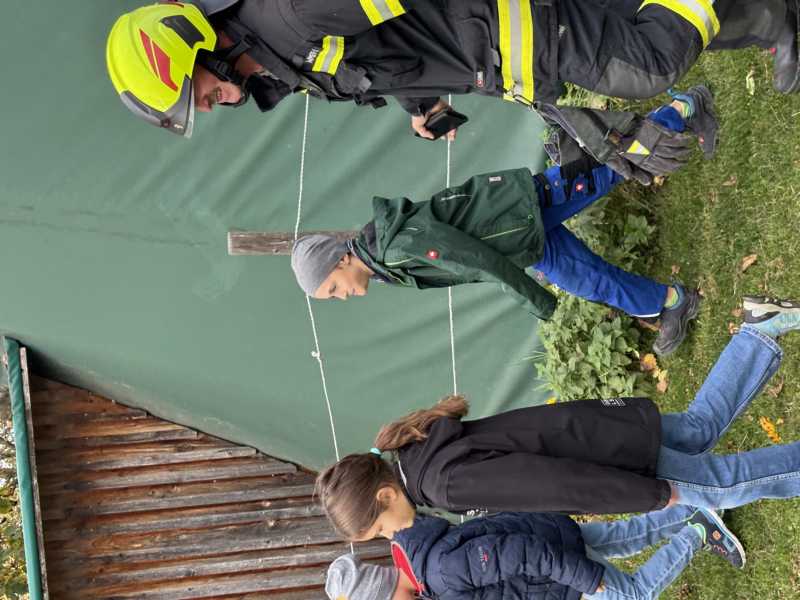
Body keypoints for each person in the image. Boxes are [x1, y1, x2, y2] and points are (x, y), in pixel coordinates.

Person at [106, 0, 798, 184]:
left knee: (646, 64)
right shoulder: (284, 59)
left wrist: (488, 47)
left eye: (192, 93)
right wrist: (423, 106)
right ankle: (776, 21)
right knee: (631, 20)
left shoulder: (292, 16)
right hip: (489, 51)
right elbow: (388, 50)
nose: (204, 105)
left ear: (195, 48)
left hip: (505, 29)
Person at [289, 90, 715, 355]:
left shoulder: (393, 248)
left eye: (332, 289)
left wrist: (536, 300)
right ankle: (672, 303)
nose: (341, 296)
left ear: (339, 261)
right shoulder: (384, 262)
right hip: (520, 237)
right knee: (588, 280)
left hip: (521, 210)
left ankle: (684, 107)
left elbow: (476, 260)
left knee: (607, 165)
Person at [315, 295, 800, 517]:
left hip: (607, 458)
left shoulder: (444, 485)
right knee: (695, 431)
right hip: (592, 427)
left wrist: (649, 496)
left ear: (383, 497)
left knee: (723, 486)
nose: (390, 537)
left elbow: (555, 483)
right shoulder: (418, 451)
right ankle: (759, 329)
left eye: (379, 531)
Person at [324, 505, 744, 600]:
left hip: (556, 567)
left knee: (634, 594)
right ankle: (699, 505)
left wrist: (588, 580)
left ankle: (697, 531)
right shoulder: (416, 554)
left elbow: (521, 554)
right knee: (626, 535)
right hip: (553, 534)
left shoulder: (441, 573)